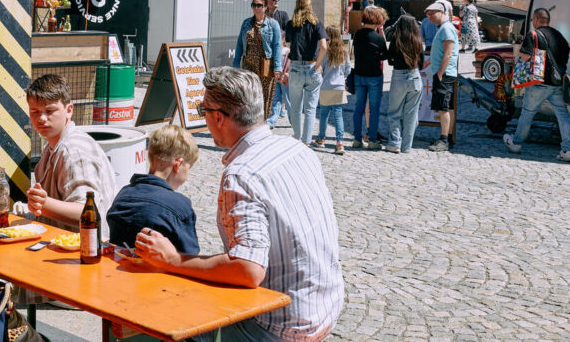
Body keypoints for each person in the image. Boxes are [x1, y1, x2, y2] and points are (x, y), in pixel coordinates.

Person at [135, 67, 343, 341]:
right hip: (326, 306)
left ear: (218, 117)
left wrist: (173, 260)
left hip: (280, 323)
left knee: (171, 320)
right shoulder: (297, 149)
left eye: (203, 110)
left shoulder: (242, 174)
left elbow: (248, 269)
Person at [26, 74, 117, 238]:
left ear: (69, 111)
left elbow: (87, 211)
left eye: (50, 111)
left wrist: (44, 204)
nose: (42, 118)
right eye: (35, 111)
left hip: (85, 247)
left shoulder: (73, 151)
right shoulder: (53, 145)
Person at [107, 124, 200, 254]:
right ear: (178, 164)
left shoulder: (124, 194)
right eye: (188, 168)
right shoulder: (180, 206)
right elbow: (191, 257)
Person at [503, 8, 570, 162]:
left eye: (532, 20)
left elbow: (525, 56)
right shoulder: (558, 35)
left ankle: (516, 142)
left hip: (539, 83)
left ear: (535, 19)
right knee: (562, 115)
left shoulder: (533, 34)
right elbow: (566, 52)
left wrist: (521, 52)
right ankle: (567, 150)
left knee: (527, 113)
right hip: (557, 82)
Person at [284, 0, 328, 144]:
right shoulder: (317, 24)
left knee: (296, 107)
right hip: (311, 67)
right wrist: (318, 64)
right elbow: (324, 47)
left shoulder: (291, 24)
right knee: (310, 109)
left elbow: (288, 44)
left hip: (296, 67)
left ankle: (297, 136)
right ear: (310, 6)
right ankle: (306, 140)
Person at [232, 0, 283, 121]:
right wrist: (236, 64)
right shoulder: (246, 23)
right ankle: (249, 123)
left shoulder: (273, 24)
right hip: (248, 65)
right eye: (253, 5)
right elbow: (239, 44)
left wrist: (277, 68)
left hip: (266, 66)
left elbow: (277, 46)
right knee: (248, 96)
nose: (256, 8)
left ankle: (262, 122)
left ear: (265, 7)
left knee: (265, 97)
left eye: (259, 5)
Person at [385, 15, 424, 153]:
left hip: (399, 77)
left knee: (394, 112)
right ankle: (407, 146)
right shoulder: (418, 40)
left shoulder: (396, 39)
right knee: (411, 115)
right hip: (415, 77)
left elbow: (389, 60)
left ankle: (395, 142)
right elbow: (421, 62)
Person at [350, 6, 387, 149]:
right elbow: (385, 55)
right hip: (374, 76)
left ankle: (357, 139)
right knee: (374, 109)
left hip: (359, 75)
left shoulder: (357, 34)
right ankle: (372, 140)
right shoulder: (378, 38)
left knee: (358, 108)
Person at [424, 0, 458, 152]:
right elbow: (440, 51)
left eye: (432, 13)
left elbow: (448, 53)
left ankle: (444, 140)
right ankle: (448, 137)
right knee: (448, 107)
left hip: (444, 74)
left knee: (443, 108)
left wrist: (440, 73)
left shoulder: (446, 29)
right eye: (428, 14)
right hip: (444, 73)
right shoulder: (443, 28)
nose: (429, 16)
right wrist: (429, 61)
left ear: (442, 13)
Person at [313, 25, 350, 154]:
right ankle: (339, 143)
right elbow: (348, 69)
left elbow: (320, 68)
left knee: (324, 115)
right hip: (339, 87)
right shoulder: (344, 51)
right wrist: (341, 76)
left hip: (325, 86)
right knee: (338, 115)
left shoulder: (324, 51)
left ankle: (321, 139)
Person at [263, 0, 291, 128]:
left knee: (286, 92)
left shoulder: (283, 15)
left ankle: (293, 120)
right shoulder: (262, 15)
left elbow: (289, 33)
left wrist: (278, 35)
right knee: (273, 92)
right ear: (266, 1)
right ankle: (271, 119)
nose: (276, 0)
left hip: (281, 54)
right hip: (268, 57)